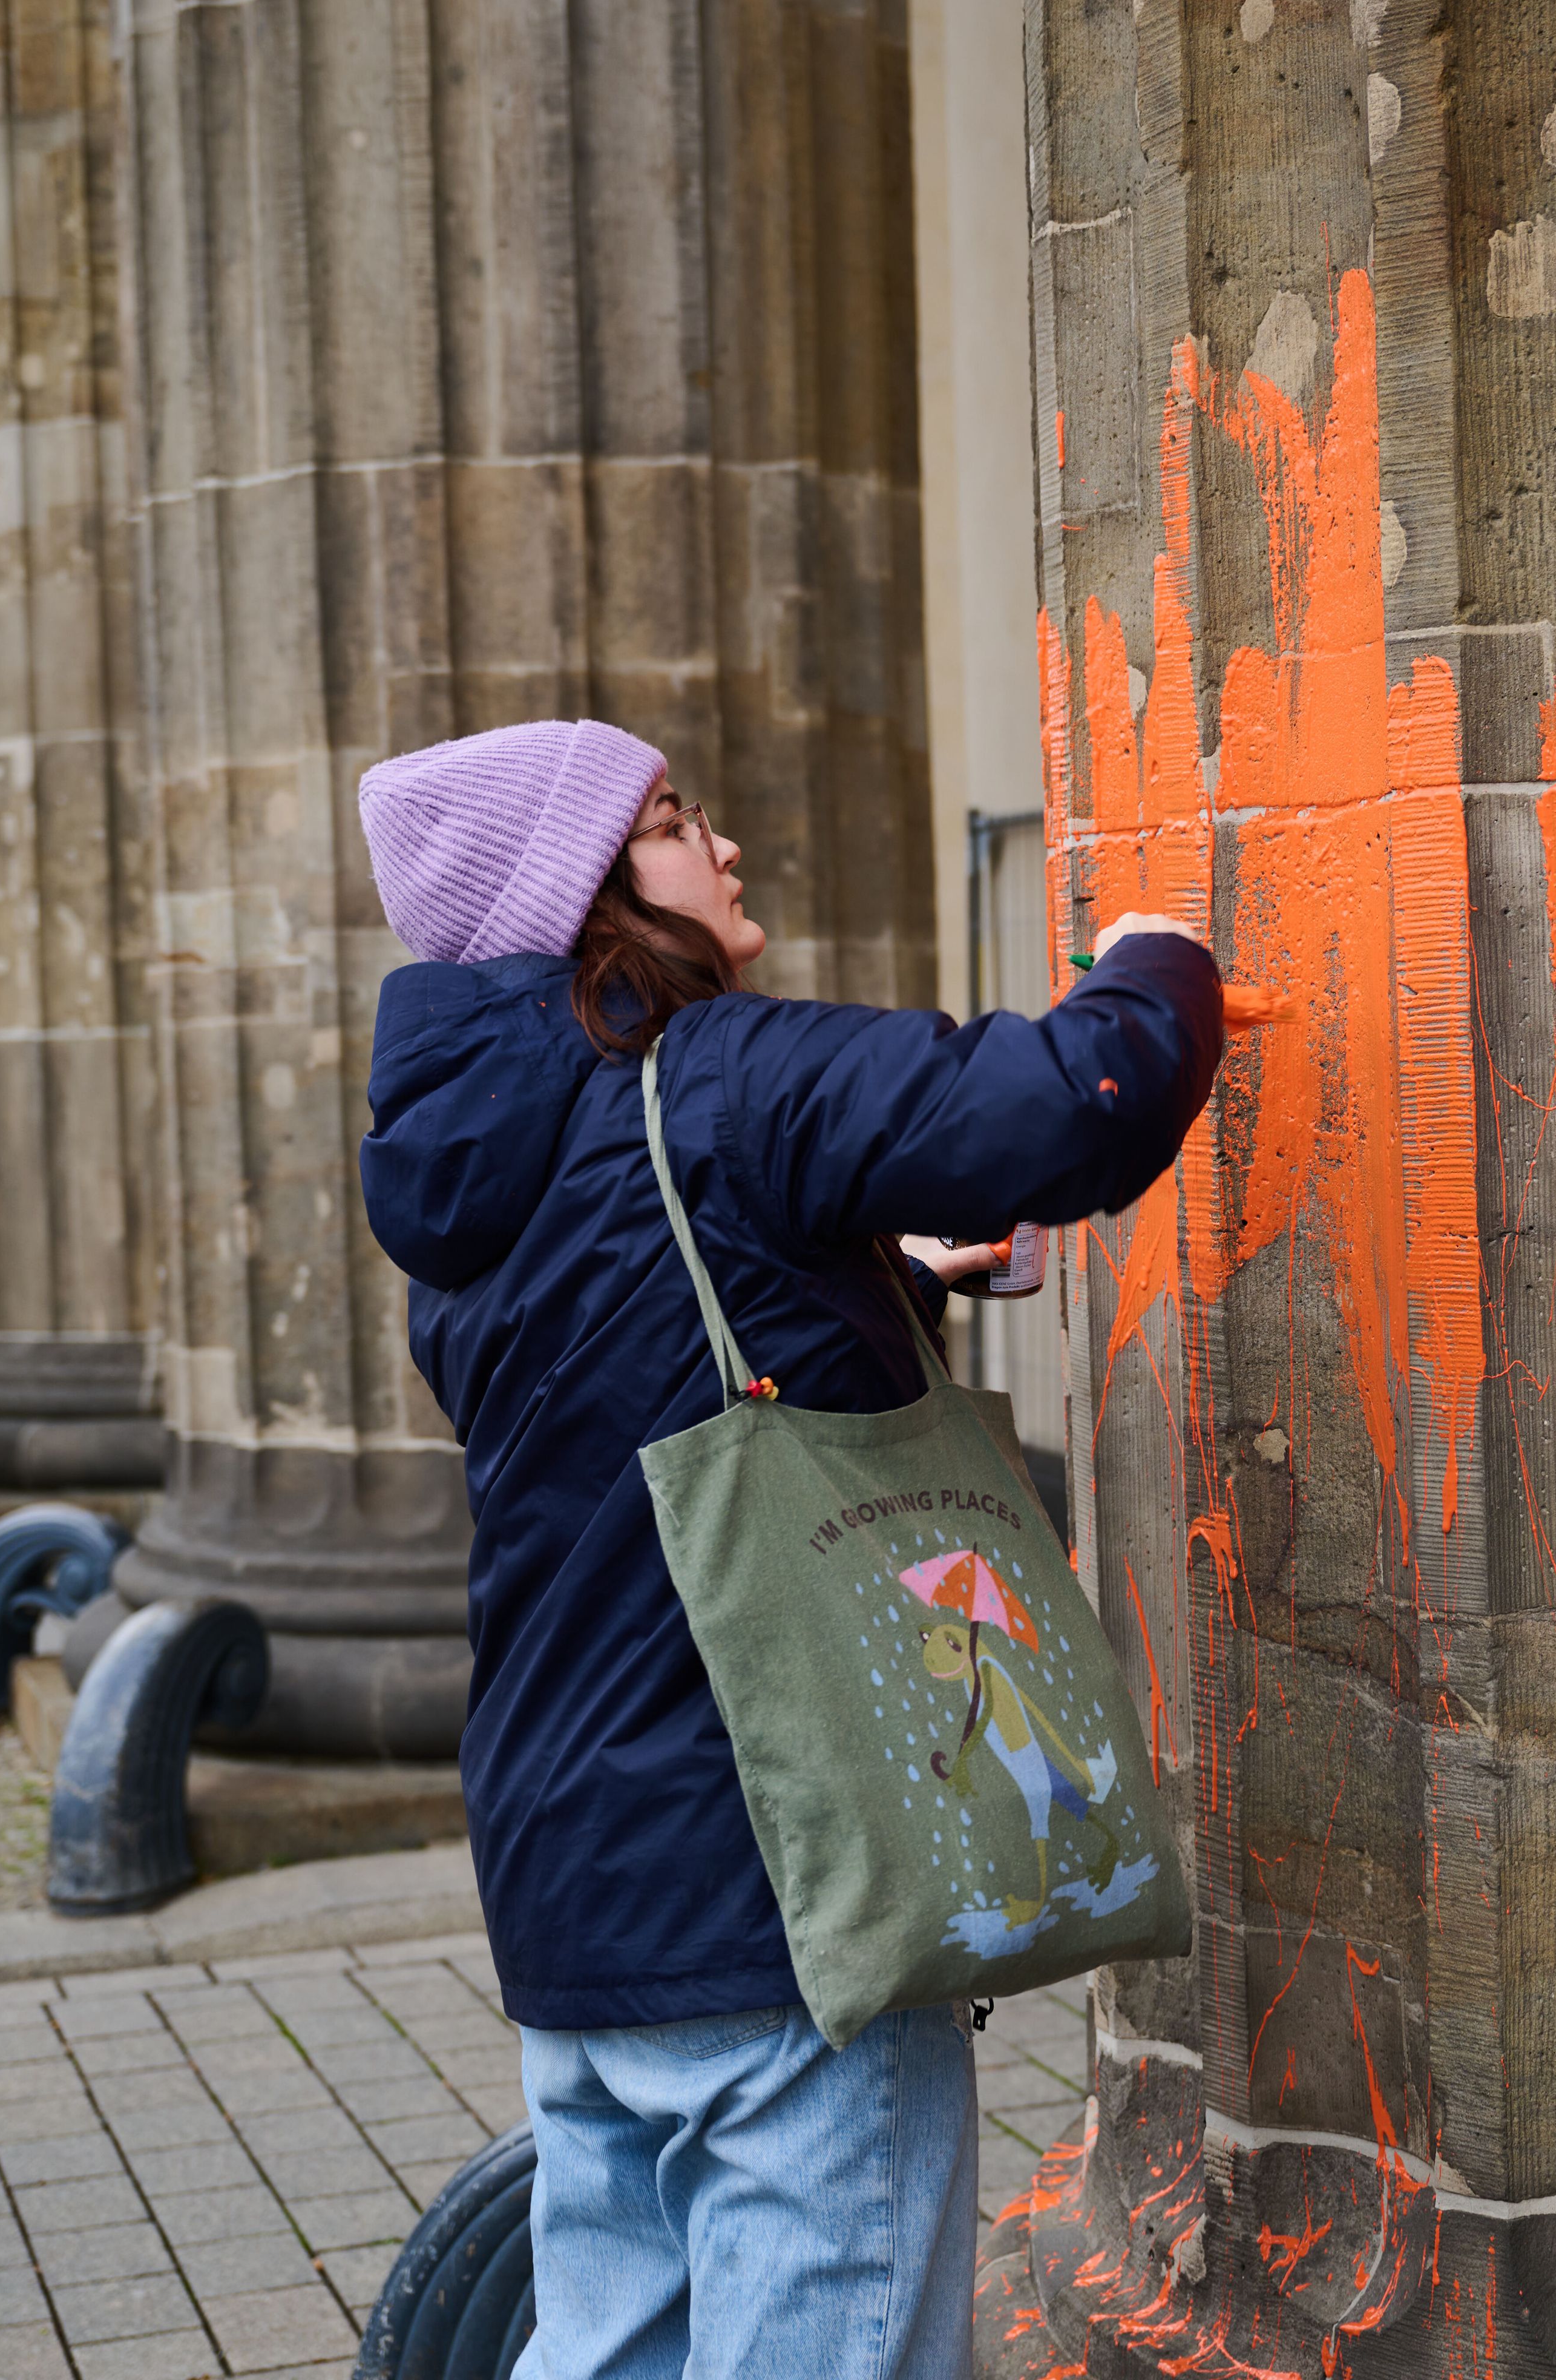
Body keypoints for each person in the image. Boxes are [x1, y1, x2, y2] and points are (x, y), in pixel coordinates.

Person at [354, 720, 1221, 2380]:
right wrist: (1159, 956)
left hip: (574, 1885)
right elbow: (1073, 1103)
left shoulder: (465, 1182)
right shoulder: (731, 1079)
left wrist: (890, 1267)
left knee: (611, 2349)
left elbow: (641, 1355)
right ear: (589, 897)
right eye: (676, 822)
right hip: (778, 1883)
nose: (725, 848)